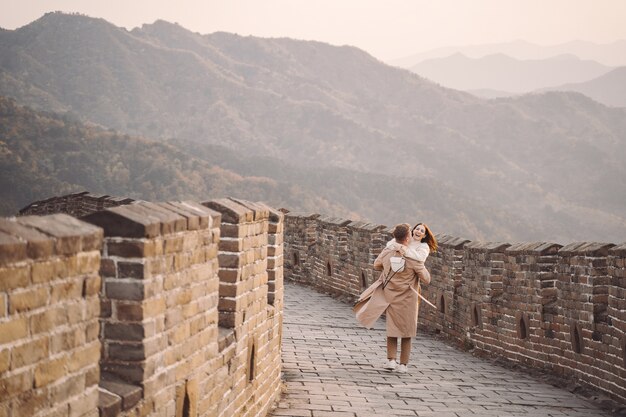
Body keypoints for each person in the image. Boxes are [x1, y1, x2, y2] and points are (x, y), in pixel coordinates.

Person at [354, 223, 436, 373]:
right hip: (408, 298)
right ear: (407, 237)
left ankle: (391, 360)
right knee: (407, 331)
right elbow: (427, 279)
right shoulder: (415, 261)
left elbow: (377, 264)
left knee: (392, 328)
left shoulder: (387, 252)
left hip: (389, 294)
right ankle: (403, 365)